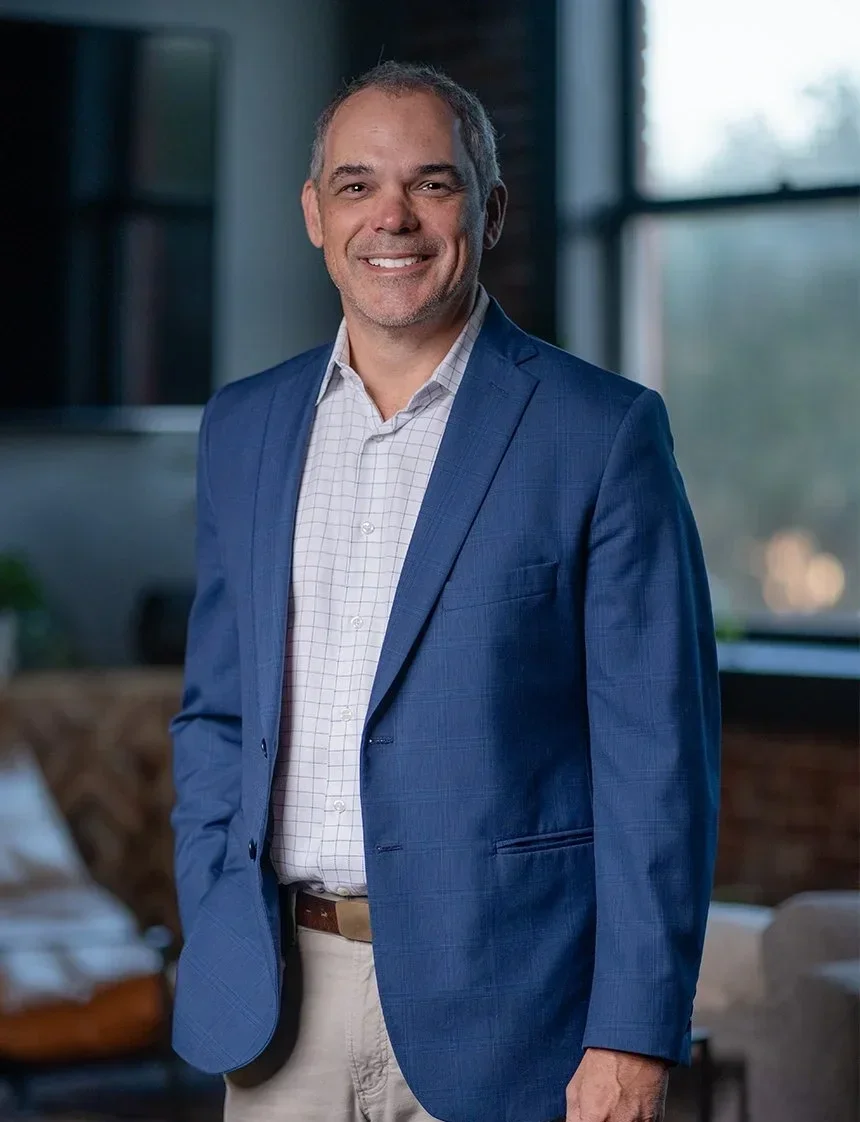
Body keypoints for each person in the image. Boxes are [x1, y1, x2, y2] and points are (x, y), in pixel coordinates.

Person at [170, 61, 720, 1122]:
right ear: (314, 214)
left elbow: (657, 760)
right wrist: (211, 896)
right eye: (357, 185)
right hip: (280, 1003)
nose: (393, 218)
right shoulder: (243, 425)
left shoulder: (600, 431)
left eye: (432, 183)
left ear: (489, 208)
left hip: (516, 1010)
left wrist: (632, 1032)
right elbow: (216, 713)